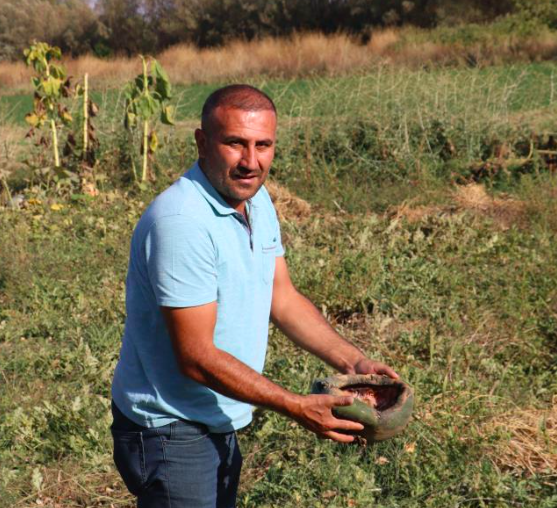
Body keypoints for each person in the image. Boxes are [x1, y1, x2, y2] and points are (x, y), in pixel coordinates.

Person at [110, 84, 398, 508]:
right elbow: (196, 356)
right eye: (235, 144)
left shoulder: (255, 199)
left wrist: (353, 363)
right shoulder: (181, 223)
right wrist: (295, 406)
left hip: (215, 416)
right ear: (202, 142)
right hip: (171, 429)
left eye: (263, 145)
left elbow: (281, 297)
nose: (251, 161)